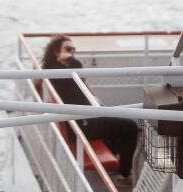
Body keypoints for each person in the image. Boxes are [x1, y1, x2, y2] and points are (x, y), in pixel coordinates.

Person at [40, 36, 138, 183]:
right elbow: (78, 68)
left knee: (115, 119)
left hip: (83, 119)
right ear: (56, 52)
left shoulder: (57, 69)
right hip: (80, 125)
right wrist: (71, 59)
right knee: (130, 126)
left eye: (73, 49)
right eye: (68, 49)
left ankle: (116, 165)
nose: (72, 52)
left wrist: (96, 100)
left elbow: (82, 83)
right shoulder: (58, 72)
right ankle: (125, 175)